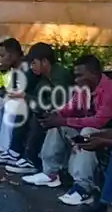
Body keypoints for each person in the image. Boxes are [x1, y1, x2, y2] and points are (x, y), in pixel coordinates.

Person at [23, 54, 112, 205]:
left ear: (94, 73)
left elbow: (99, 122)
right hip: (85, 130)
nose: (76, 80)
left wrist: (64, 120)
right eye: (75, 75)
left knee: (87, 131)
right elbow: (70, 107)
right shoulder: (83, 89)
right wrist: (55, 115)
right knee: (58, 125)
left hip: (103, 135)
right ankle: (50, 173)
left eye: (80, 75)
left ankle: (83, 188)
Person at [4, 42, 75, 175]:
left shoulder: (59, 75)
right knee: (25, 106)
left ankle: (31, 159)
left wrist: (26, 96)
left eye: (34, 63)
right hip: (51, 109)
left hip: (64, 113)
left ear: (45, 62)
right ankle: (16, 152)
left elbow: (54, 103)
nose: (31, 67)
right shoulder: (43, 77)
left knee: (38, 113)